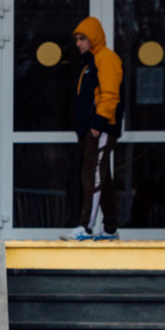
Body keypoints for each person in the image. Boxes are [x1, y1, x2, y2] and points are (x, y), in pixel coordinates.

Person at [70, 16, 123, 240]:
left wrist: (98, 124)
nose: (78, 43)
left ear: (93, 38)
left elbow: (110, 94)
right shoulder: (92, 62)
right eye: (77, 40)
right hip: (93, 130)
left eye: (82, 38)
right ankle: (110, 228)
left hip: (100, 129)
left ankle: (87, 227)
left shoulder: (106, 59)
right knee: (102, 177)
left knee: (92, 176)